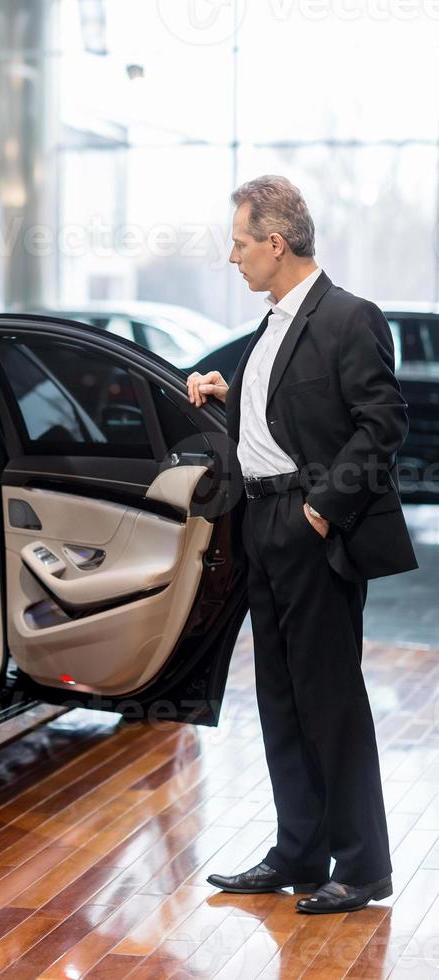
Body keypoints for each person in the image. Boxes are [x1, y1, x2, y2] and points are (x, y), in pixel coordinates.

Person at [187, 175, 418, 915]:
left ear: (275, 244)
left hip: (310, 527)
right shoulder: (272, 326)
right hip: (262, 524)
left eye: (239, 242)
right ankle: (298, 851)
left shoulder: (351, 317)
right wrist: (230, 398)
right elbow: (287, 416)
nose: (233, 257)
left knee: (330, 699)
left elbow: (382, 426)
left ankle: (363, 865)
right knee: (280, 698)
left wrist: (321, 509)